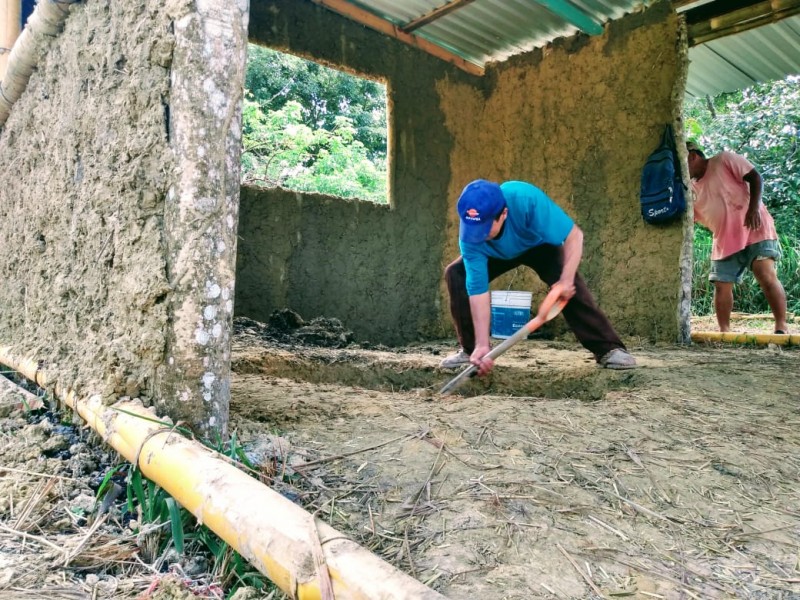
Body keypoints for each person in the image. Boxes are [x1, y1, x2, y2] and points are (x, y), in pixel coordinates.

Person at [440, 179, 636, 374]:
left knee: (569, 284)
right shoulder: (471, 236)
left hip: (538, 245)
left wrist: (565, 280)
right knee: (456, 274)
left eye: (484, 227)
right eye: (473, 228)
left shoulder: (525, 199)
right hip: (495, 253)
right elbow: (477, 290)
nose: (478, 234)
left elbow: (574, 236)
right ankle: (471, 351)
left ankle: (608, 348)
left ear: (504, 214)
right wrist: (482, 343)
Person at [686, 141, 788, 334]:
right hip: (725, 238)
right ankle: (725, 330)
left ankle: (781, 326)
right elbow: (691, 218)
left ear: (693, 157)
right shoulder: (690, 189)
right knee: (721, 285)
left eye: (682, 163)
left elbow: (756, 178)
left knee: (765, 274)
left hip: (755, 227)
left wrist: (754, 208)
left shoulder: (724, 160)